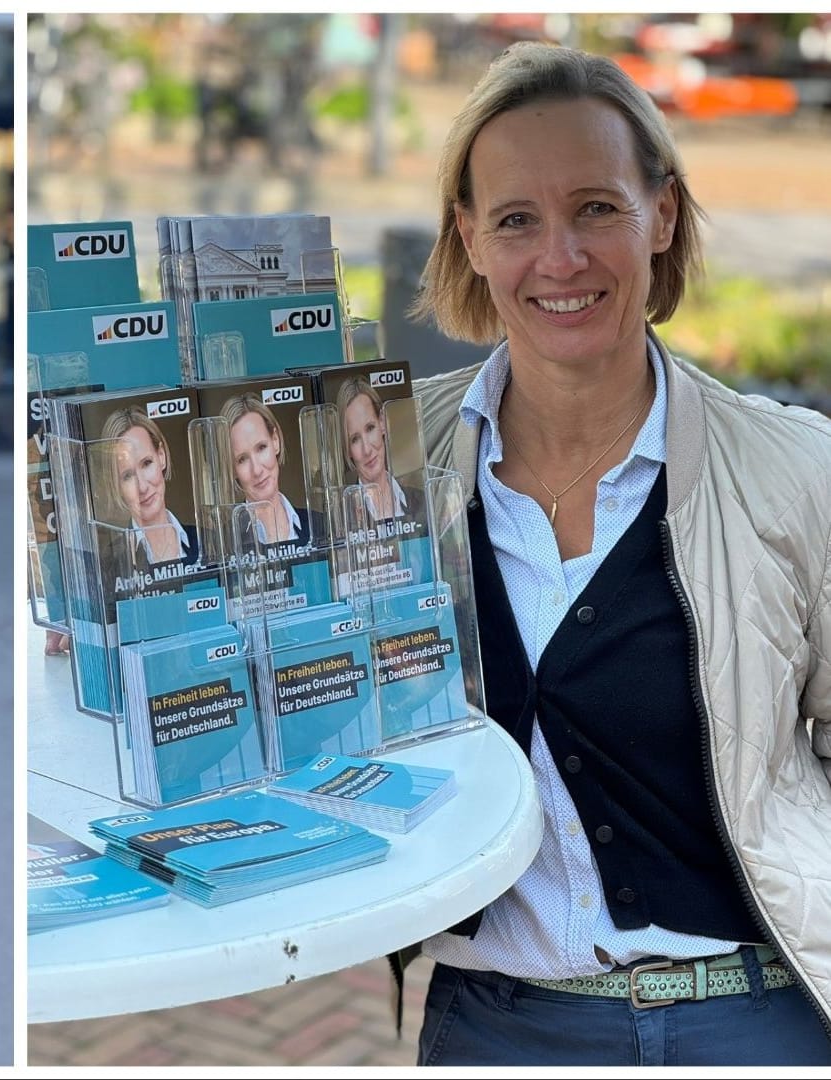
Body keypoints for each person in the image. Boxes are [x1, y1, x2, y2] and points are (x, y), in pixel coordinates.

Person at [393, 42, 831, 1066]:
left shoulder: (797, 470)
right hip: (499, 1024)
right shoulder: (386, 467)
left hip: (755, 1017)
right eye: (515, 220)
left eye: (597, 207)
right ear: (468, 236)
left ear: (661, 215)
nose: (561, 257)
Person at [96, 407, 198, 568]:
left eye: (146, 463)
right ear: (116, 485)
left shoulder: (205, 540)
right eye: (128, 476)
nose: (142, 487)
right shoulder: (109, 564)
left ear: (161, 456)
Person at [218, 392, 314, 546]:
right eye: (242, 459)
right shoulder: (224, 543)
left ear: (275, 441)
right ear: (232, 468)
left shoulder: (317, 524)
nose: (256, 470)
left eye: (261, 448)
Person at [335, 377, 421, 527]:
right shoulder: (340, 516)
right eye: (355, 439)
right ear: (347, 449)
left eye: (370, 428)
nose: (367, 450)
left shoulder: (421, 500)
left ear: (382, 422)